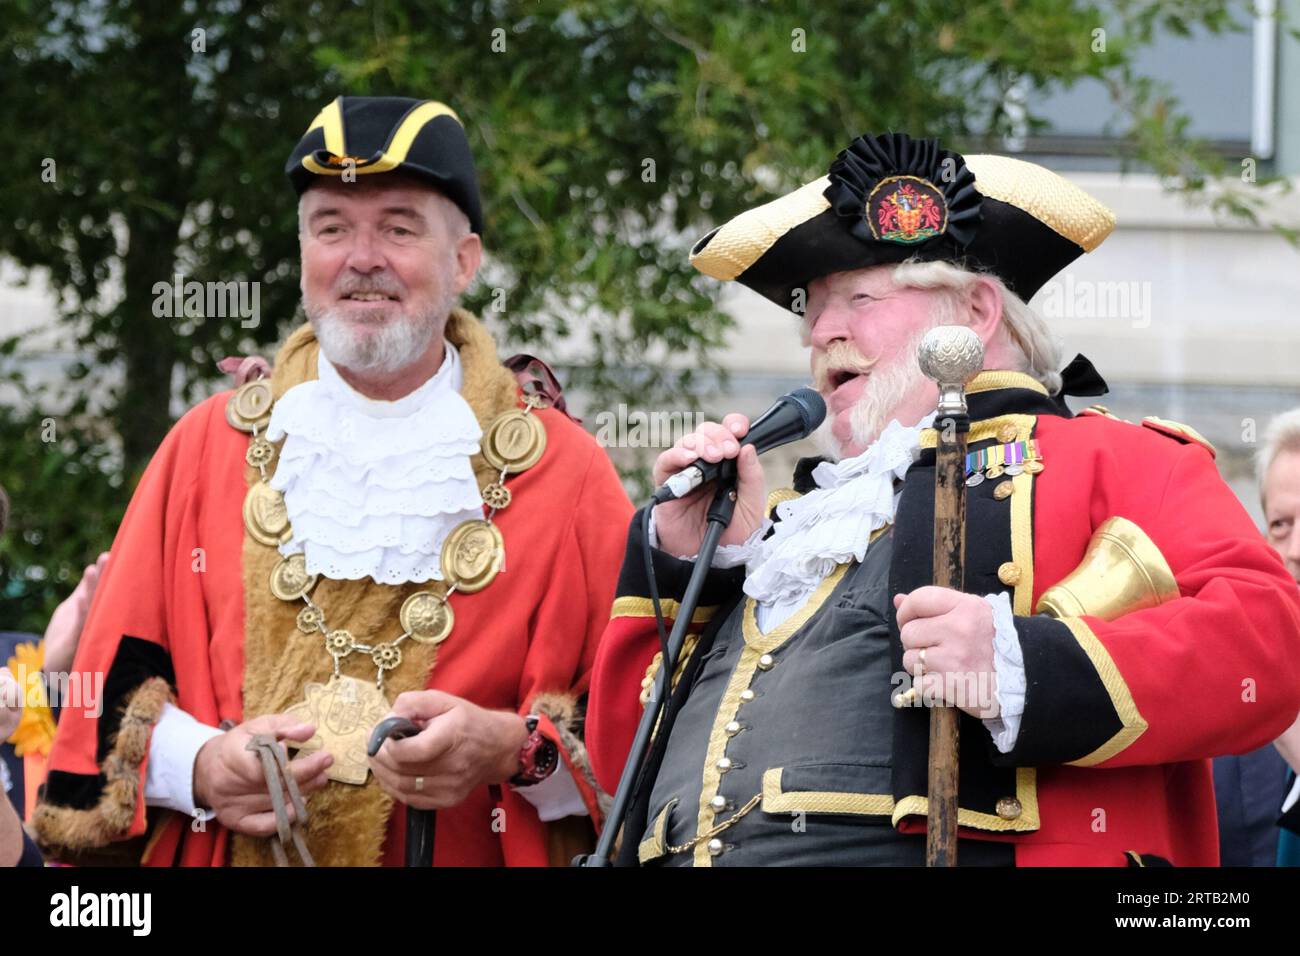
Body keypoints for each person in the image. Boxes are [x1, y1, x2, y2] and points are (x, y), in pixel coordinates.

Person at [586, 131, 1300, 866]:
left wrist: (1022, 665)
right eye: (813, 314)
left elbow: (1270, 645)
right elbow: (623, 774)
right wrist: (690, 564)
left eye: (859, 297)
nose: (821, 332)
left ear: (977, 312)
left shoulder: (1113, 458)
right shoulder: (777, 535)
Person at [33, 96, 633, 866]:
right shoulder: (205, 448)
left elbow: (639, 730)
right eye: (332, 228)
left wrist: (510, 750)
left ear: (464, 261)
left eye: (399, 226)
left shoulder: (565, 472)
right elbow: (104, 692)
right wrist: (200, 768)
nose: (362, 257)